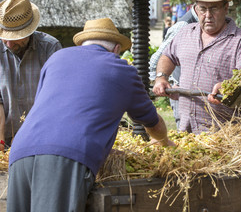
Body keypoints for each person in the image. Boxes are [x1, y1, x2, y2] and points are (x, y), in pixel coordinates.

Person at [7, 18, 174, 212]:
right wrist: (163, 141)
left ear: (83, 44)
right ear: (116, 49)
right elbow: (154, 124)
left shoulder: (56, 58)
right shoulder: (123, 71)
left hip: (20, 151)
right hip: (64, 158)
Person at [152, 0, 241, 134]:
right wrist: (161, 77)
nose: (208, 15)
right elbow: (167, 56)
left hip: (224, 135)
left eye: (214, 8)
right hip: (186, 131)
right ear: (195, 9)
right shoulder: (185, 33)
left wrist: (229, 86)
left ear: (225, 8)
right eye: (203, 9)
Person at [0, 0, 62, 150]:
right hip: (5, 138)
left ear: (29, 32)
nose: (8, 43)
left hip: (42, 138)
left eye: (14, 38)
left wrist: (27, 134)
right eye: (4, 37)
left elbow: (55, 97)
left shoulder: (49, 47)